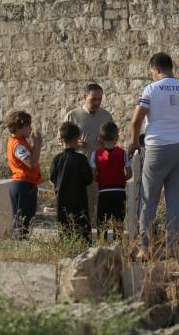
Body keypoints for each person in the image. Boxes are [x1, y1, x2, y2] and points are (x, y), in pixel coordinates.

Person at [128, 52, 179, 259]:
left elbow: (136, 120)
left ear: (155, 69)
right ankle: (172, 248)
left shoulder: (151, 89)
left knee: (149, 199)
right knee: (174, 198)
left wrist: (134, 142)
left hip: (157, 147)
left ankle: (145, 248)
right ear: (171, 67)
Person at [65, 83, 113, 229]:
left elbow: (113, 139)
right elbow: (62, 141)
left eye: (100, 99)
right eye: (93, 99)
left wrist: (105, 140)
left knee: (96, 203)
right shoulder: (72, 116)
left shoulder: (106, 116)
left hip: (98, 168)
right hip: (77, 168)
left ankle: (95, 234)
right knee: (78, 202)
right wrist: (75, 143)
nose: (97, 103)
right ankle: (78, 232)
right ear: (85, 97)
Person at [50, 122, 93, 240]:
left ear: (62, 139)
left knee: (65, 226)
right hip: (79, 199)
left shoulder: (57, 159)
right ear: (77, 139)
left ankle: (66, 246)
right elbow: (88, 179)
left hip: (62, 198)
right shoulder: (82, 159)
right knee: (81, 225)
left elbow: (52, 178)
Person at [5, 111, 43, 239]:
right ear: (21, 127)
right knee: (21, 221)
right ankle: (18, 246)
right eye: (29, 126)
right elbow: (31, 163)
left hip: (27, 184)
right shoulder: (17, 144)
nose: (31, 129)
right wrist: (37, 145)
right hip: (22, 185)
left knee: (26, 220)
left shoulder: (21, 142)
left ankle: (20, 243)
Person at [90, 121, 132, 230]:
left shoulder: (95, 154)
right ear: (117, 137)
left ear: (100, 138)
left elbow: (93, 175)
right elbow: (129, 174)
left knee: (102, 223)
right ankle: (118, 244)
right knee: (118, 223)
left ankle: (102, 244)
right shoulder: (123, 153)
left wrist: (102, 179)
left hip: (103, 192)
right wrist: (120, 178)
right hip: (119, 192)